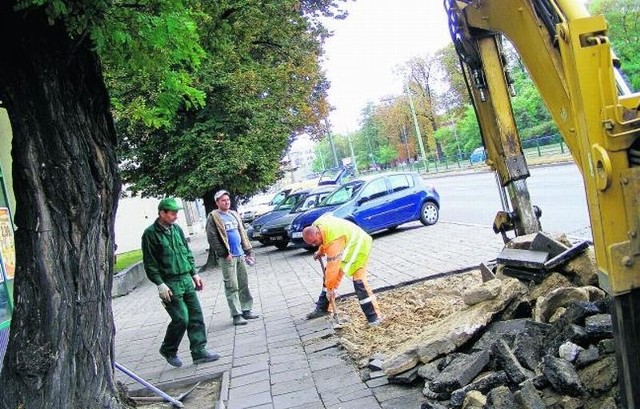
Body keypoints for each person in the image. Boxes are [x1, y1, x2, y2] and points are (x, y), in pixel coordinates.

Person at [141, 197, 220, 367]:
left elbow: (187, 252)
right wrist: (160, 284)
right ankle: (168, 349)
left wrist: (194, 274)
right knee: (181, 319)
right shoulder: (150, 234)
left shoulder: (176, 229)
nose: (176, 216)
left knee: (196, 316)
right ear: (162, 213)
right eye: (172, 213)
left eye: (177, 212)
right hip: (170, 283)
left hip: (185, 278)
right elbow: (150, 263)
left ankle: (199, 352)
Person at [302, 214, 382, 326]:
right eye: (311, 244)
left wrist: (330, 288)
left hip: (359, 245)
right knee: (329, 278)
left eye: (314, 242)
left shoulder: (335, 240)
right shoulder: (317, 225)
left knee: (359, 281)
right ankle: (323, 309)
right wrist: (320, 251)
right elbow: (326, 239)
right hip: (346, 243)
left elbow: (332, 266)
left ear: (317, 233)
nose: (314, 245)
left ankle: (374, 317)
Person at [206, 190, 259, 326]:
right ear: (217, 202)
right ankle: (236, 314)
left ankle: (246, 309)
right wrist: (224, 253)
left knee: (243, 283)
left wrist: (247, 250)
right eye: (223, 200)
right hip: (228, 257)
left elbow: (242, 233)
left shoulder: (233, 214)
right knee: (232, 286)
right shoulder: (214, 217)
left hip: (240, 254)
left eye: (228, 200)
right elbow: (212, 238)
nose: (226, 202)